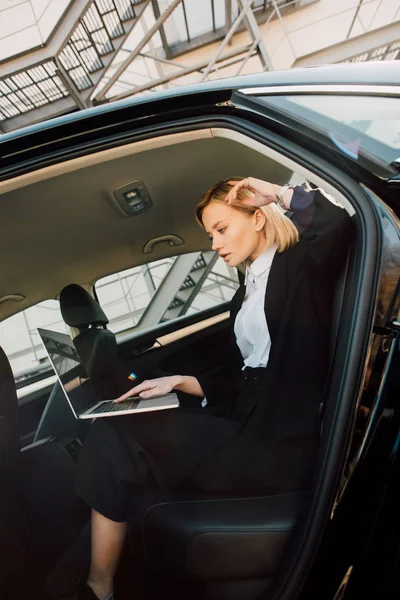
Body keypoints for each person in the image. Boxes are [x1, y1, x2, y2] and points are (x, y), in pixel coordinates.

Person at [72, 177, 354, 600]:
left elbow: (334, 225)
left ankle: (99, 588)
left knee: (114, 435)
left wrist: (275, 192)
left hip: (280, 441)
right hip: (246, 421)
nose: (214, 244)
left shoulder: (299, 265)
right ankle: (102, 583)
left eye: (222, 229)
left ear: (259, 218)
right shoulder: (245, 294)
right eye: (210, 234)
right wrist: (179, 382)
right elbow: (238, 374)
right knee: (125, 427)